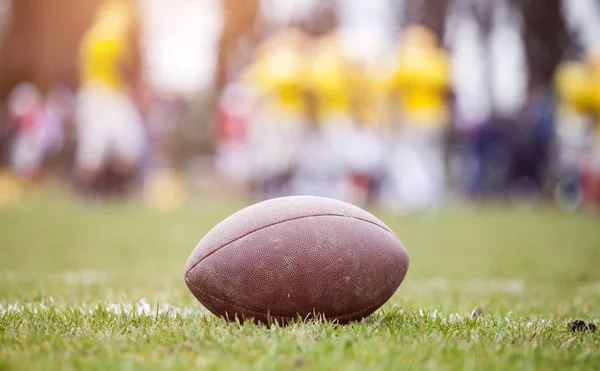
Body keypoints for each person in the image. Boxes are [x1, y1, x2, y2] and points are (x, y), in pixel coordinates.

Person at [75, 0, 145, 197]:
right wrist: (135, 86)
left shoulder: (91, 36)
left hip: (93, 94)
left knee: (96, 148)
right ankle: (114, 189)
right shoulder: (113, 33)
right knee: (124, 144)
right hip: (108, 96)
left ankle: (95, 191)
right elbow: (122, 66)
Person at [381, 25, 450, 214]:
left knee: (415, 158)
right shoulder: (439, 60)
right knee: (429, 159)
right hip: (431, 116)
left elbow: (391, 84)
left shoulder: (415, 61)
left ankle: (420, 196)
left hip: (418, 117)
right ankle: (429, 198)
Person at [241, 28, 309, 199]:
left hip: (287, 115)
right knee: (275, 157)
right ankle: (269, 190)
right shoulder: (279, 62)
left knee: (286, 157)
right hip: (276, 117)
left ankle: (277, 189)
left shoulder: (290, 62)